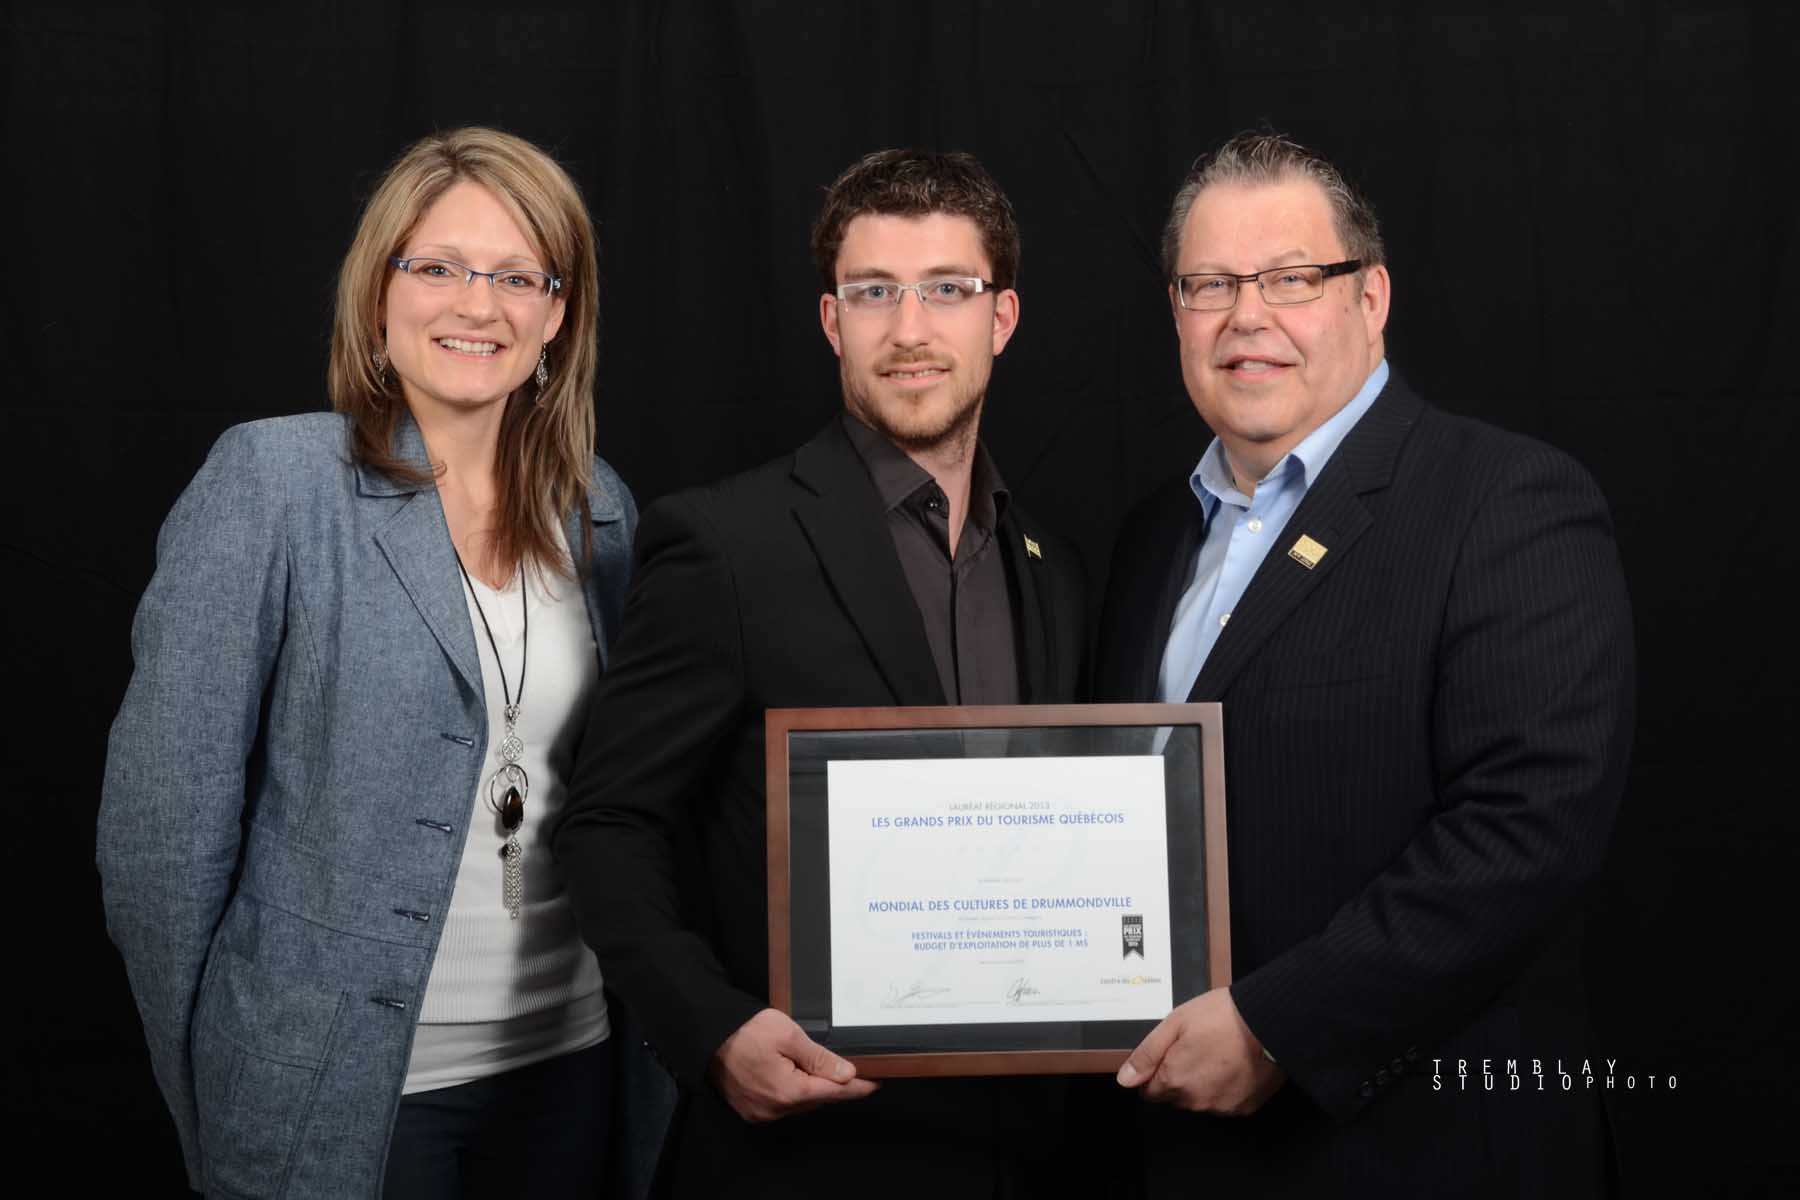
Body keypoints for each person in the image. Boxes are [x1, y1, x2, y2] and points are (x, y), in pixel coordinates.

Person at [97, 127, 671, 1198]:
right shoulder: (273, 484)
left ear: (555, 315)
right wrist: (214, 1072)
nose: (476, 304)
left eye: (516, 277)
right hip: (335, 1084)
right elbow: (158, 838)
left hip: (571, 1064)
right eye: (439, 266)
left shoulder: (599, 508)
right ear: (379, 293)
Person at [1097, 131, 1634, 1196]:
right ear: (1176, 310)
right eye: (1209, 284)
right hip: (1177, 1150)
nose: (1247, 317)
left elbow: (1529, 826)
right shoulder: (1149, 538)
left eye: (1293, 279)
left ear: (1371, 297)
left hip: (1416, 1150)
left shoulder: (1504, 501)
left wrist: (1277, 1025)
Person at [553, 148, 1087, 1198]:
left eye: (948, 290)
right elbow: (609, 822)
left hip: (1027, 1146)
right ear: (833, 322)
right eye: (874, 292)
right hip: (805, 1149)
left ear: (1003, 317)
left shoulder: (1052, 568)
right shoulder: (726, 543)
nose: (911, 329)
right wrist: (711, 1032)